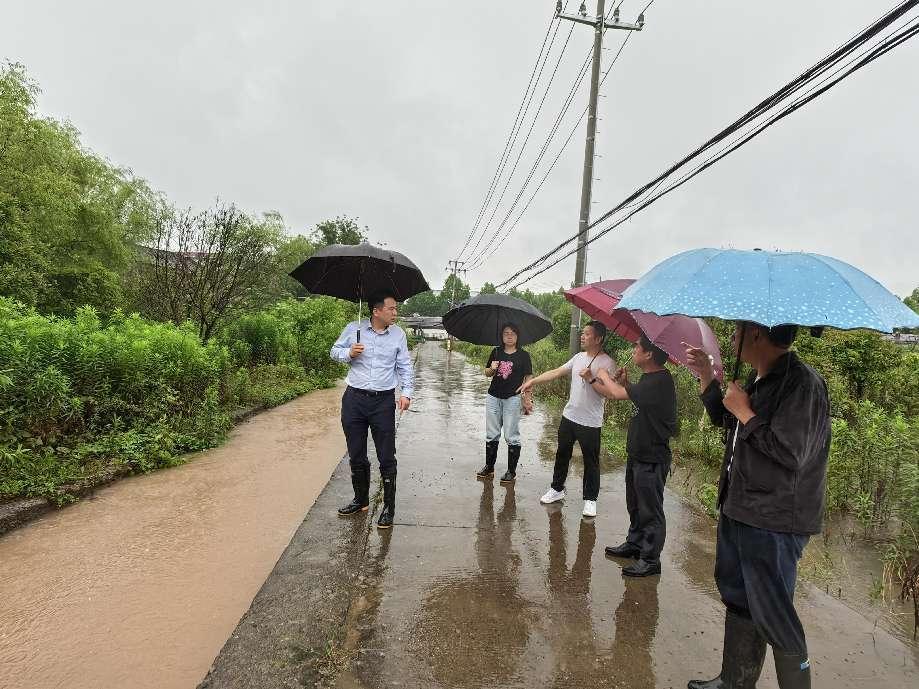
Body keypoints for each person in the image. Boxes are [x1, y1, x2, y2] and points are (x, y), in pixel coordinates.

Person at [684, 322, 830, 689]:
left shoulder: (803, 385)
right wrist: (707, 378)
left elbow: (792, 453)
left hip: (774, 519)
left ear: (756, 334)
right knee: (739, 598)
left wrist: (746, 412)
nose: (732, 339)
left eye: (736, 332)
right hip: (741, 506)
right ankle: (733, 681)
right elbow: (727, 419)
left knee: (774, 613)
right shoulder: (758, 378)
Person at [588, 334, 676, 577]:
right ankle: (635, 543)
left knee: (650, 510)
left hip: (652, 456)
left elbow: (616, 394)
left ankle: (650, 559)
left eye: (637, 346)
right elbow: (634, 395)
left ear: (649, 354)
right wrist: (626, 383)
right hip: (638, 452)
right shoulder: (649, 378)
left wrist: (604, 375)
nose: (633, 349)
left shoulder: (660, 380)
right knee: (635, 504)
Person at [330, 291, 414, 529]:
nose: (395, 312)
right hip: (354, 399)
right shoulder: (353, 329)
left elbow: (405, 366)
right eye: (391, 308)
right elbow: (334, 351)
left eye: (396, 308)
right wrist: (349, 353)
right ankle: (361, 500)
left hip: (383, 402)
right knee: (356, 453)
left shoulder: (398, 335)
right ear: (376, 311)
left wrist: (406, 393)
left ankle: (388, 507)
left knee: (386, 455)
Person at [518, 321, 613, 518]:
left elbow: (610, 393)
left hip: (591, 422)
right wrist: (533, 381)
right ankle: (557, 489)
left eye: (587, 334)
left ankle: (590, 499)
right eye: (582, 333)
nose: (582, 336)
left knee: (591, 461)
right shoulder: (578, 357)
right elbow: (557, 372)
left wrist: (590, 378)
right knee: (562, 454)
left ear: (598, 339)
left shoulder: (608, 363)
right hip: (569, 416)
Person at [477, 323, 534, 483]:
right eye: (506, 333)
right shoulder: (496, 352)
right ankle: (489, 467)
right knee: (491, 433)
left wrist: (527, 398)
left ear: (517, 336)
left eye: (512, 333)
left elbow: (529, 377)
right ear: (502, 336)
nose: (509, 336)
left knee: (511, 435)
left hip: (513, 399)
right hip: (493, 397)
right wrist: (492, 368)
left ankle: (511, 471)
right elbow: (487, 373)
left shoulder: (524, 355)